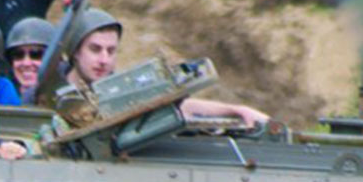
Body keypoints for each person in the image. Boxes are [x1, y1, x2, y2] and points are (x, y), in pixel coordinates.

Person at [58, 8, 269, 128]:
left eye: (111, 51)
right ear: (76, 51)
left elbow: (177, 106)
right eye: (95, 49)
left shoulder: (116, 90)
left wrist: (236, 110)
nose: (104, 60)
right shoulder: (48, 89)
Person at [3, 16, 54, 104]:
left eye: (36, 54)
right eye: (18, 54)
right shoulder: (3, 98)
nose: (26, 63)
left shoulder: (66, 100)